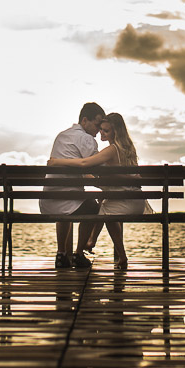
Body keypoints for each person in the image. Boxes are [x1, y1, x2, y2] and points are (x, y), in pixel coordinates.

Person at [48, 112, 146, 270]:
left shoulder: (111, 150)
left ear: (115, 132)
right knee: (102, 205)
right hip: (136, 199)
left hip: (125, 200)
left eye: (106, 131)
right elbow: (115, 176)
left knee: (100, 210)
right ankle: (110, 253)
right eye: (101, 129)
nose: (101, 132)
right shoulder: (129, 148)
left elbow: (84, 163)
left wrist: (57, 161)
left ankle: (89, 246)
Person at [41, 102, 105, 269]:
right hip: (68, 198)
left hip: (49, 199)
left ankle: (61, 254)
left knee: (67, 206)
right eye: (97, 124)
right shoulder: (86, 139)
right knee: (95, 209)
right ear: (85, 120)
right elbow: (99, 167)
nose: (99, 129)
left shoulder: (62, 136)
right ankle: (78, 254)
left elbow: (81, 169)